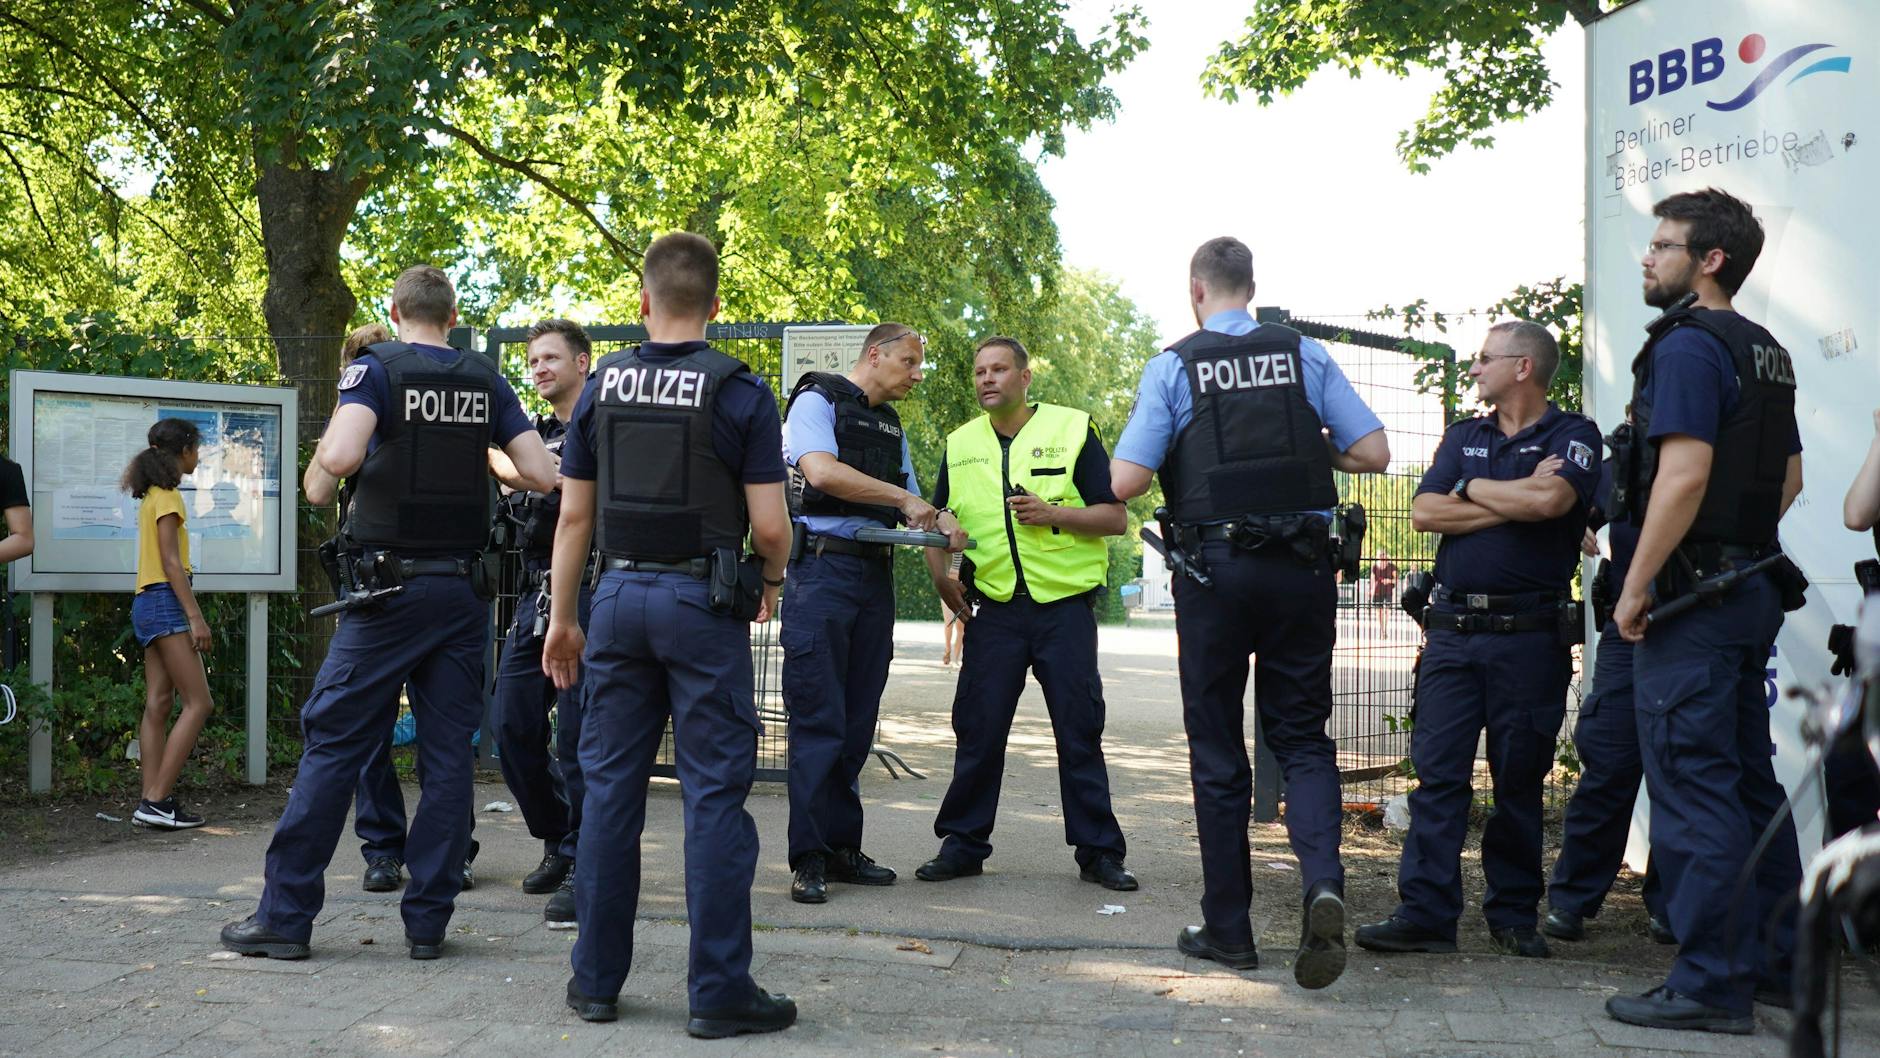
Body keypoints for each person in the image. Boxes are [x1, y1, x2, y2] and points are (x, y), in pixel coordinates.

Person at [221, 266, 555, 961]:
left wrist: (332, 460)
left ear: (395, 313)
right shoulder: (485, 380)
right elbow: (542, 473)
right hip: (462, 595)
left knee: (333, 741)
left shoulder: (375, 371)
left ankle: (285, 917)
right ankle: (428, 925)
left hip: (386, 596)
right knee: (447, 758)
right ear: (452, 316)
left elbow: (337, 462)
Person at [1111, 237, 1390, 990]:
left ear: (1196, 290)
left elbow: (1126, 480)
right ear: (1252, 289)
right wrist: (1316, 452)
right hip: (1302, 569)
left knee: (1216, 747)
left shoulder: (1175, 365)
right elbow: (1374, 452)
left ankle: (1230, 932)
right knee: (1302, 738)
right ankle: (1322, 883)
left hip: (1216, 574)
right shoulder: (1304, 355)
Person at [543, 232, 797, 1037]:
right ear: (715, 305)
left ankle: (594, 984)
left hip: (616, 599)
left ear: (643, 302)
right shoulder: (741, 392)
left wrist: (563, 618)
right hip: (702, 606)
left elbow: (573, 517)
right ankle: (719, 994)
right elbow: (771, 527)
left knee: (610, 793)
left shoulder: (602, 387)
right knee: (713, 796)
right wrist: (772, 581)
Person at [1602, 188, 1805, 1035]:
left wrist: (1637, 584)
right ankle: (1780, 969)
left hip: (1695, 602)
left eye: (1663, 245)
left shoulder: (1688, 345)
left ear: (1709, 260)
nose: (1648, 258)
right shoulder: (1766, 350)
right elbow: (1789, 480)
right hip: (1747, 590)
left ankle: (1712, 986)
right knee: (1750, 783)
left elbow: (1682, 476)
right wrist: (1734, 547)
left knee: (1694, 790)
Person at [1354, 320, 1599, 963]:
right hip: (1453, 636)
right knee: (1438, 778)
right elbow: (1424, 512)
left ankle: (1514, 916)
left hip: (1529, 639)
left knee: (1519, 781)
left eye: (1486, 358)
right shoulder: (1465, 434)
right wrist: (1509, 497)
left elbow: (1550, 503)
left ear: (1523, 367)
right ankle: (1426, 915)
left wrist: (1470, 488)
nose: (1474, 369)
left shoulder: (1574, 435)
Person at [916, 336, 1132, 889]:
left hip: (1064, 611)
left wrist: (1053, 513)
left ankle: (1099, 852)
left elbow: (1114, 518)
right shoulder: (960, 443)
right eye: (980, 372)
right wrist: (943, 573)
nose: (987, 379)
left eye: (999, 369)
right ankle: (963, 845)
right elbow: (939, 518)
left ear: (1025, 377)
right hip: (994, 611)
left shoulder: (1072, 428)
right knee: (978, 730)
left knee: (1078, 731)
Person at [779, 321, 961, 905]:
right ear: (875, 355)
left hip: (872, 577)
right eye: (910, 361)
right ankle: (809, 856)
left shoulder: (890, 426)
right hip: (822, 573)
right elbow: (821, 471)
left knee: (858, 721)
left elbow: (918, 506)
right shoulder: (817, 400)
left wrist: (944, 530)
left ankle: (842, 848)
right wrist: (906, 499)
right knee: (818, 720)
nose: (917, 374)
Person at [331, 322, 478, 897]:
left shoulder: (408, 409)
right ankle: (403, 851)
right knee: (425, 736)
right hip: (389, 585)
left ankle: (419, 851)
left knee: (435, 737)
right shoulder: (357, 418)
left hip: (399, 593)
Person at [485, 318, 595, 927]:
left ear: (582, 362)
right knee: (511, 724)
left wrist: (502, 462)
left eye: (551, 358)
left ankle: (583, 858)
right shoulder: (536, 434)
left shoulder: (602, 426)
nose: (539, 369)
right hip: (536, 595)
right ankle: (558, 835)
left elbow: (548, 484)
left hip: (592, 593)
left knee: (578, 738)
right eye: (532, 362)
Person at [1541, 454, 1674, 946]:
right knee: (1612, 761)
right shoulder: (1620, 465)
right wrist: (1578, 524)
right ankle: (1572, 900)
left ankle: (1674, 905)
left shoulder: (1709, 453)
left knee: (1678, 766)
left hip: (1692, 620)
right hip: (1626, 625)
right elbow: (1571, 510)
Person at [122, 419, 215, 830]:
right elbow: (171, 562)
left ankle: (150, 801)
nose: (199, 457)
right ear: (184, 451)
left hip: (146, 601)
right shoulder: (169, 497)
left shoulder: (151, 496)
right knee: (199, 703)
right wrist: (195, 617)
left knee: (159, 703)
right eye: (197, 450)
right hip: (165, 602)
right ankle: (157, 800)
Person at [940, 552, 965, 666]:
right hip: (948, 592)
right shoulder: (948, 551)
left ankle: (956, 658)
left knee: (961, 627)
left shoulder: (968, 552)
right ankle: (948, 650)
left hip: (962, 592)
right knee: (949, 624)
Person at [1370, 550, 1398, 637]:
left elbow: (1396, 580)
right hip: (1377, 591)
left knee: (1387, 611)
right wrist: (1371, 590)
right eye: (1380, 556)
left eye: (1383, 555)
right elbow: (1372, 579)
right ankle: (1382, 630)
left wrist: (1389, 581)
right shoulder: (1374, 566)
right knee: (1379, 612)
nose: (1382, 557)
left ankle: (1385, 629)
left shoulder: (1392, 566)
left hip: (1388, 591)